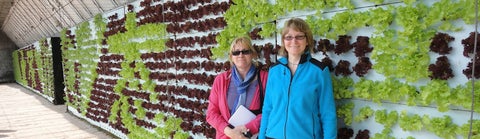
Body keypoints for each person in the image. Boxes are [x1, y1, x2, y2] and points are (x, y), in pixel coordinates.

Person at [258, 18, 337, 139]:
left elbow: (328, 113)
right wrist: (262, 136)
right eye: (288, 37)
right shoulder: (274, 70)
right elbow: (268, 107)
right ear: (284, 41)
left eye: (299, 36)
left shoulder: (319, 71)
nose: (293, 41)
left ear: (307, 41)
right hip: (272, 136)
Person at [207, 36, 268, 139]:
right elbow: (211, 114)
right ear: (231, 57)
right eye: (236, 52)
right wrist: (229, 132)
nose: (241, 55)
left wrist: (247, 128)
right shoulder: (221, 80)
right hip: (225, 136)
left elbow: (271, 111)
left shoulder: (265, 78)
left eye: (245, 51)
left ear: (252, 54)